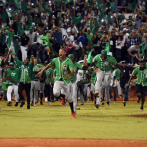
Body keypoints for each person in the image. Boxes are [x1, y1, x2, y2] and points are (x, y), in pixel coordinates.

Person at [36, 48, 76, 118]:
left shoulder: (69, 61)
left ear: (65, 53)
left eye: (62, 52)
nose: (60, 53)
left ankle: (73, 112)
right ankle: (63, 96)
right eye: (59, 52)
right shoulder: (55, 60)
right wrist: (42, 71)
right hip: (58, 80)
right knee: (56, 93)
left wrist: (69, 75)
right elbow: (49, 65)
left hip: (66, 81)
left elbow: (72, 71)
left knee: (70, 98)